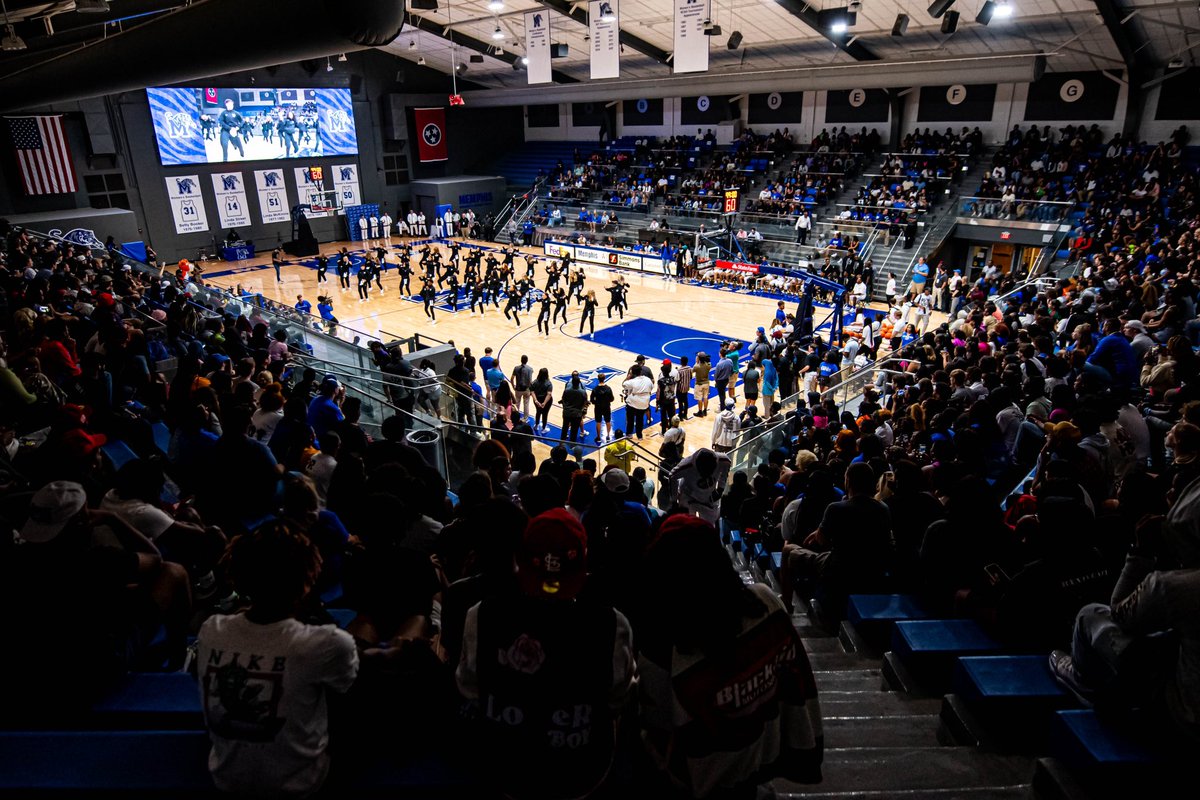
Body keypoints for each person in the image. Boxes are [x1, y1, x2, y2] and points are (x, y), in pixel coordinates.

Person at [637, 516, 823, 797]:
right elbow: (795, 683)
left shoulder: (661, 647)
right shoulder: (765, 603)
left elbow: (660, 736)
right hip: (759, 765)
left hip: (699, 782)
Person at [456, 509, 636, 800]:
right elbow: (617, 699)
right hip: (582, 773)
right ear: (584, 562)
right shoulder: (612, 623)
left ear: (519, 561)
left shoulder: (481, 615)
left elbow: (468, 686)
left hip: (505, 769)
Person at [198, 521, 359, 798]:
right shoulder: (327, 643)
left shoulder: (211, 630)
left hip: (225, 778)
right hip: (304, 783)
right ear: (308, 576)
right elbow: (348, 692)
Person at [1049, 479, 1200, 741]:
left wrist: (1140, 553)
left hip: (1182, 716)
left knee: (1090, 615)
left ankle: (1081, 678)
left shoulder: (1175, 587)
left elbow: (1119, 613)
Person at [782, 462, 893, 617]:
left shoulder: (836, 508)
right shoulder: (883, 509)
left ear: (848, 481)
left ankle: (786, 605)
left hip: (838, 568)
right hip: (873, 570)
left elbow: (822, 542)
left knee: (788, 550)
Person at [667, 447, 732, 526]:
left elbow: (725, 471)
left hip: (709, 496)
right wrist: (674, 500)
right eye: (703, 473)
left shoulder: (723, 461)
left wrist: (720, 489)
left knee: (710, 524)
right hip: (688, 495)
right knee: (687, 524)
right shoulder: (686, 465)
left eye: (709, 472)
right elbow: (672, 476)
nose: (706, 475)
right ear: (696, 465)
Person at [621, 366, 653, 441]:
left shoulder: (631, 382)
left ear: (632, 373)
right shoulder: (647, 379)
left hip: (633, 402)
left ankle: (629, 434)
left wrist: (628, 377)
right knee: (640, 419)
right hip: (644, 402)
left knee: (630, 419)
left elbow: (623, 384)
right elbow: (651, 387)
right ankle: (639, 436)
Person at [561, 371, 589, 444]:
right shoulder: (582, 392)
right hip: (577, 414)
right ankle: (572, 446)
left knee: (564, 429)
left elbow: (563, 400)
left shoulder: (567, 390)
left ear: (572, 382)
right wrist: (583, 410)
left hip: (567, 412)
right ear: (579, 382)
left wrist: (565, 408)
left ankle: (561, 445)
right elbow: (585, 402)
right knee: (574, 431)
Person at [591, 373, 615, 444]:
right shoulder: (608, 388)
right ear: (604, 379)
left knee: (598, 422)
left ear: (598, 379)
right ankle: (608, 436)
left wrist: (596, 403)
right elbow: (612, 399)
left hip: (598, 407)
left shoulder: (595, 389)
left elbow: (592, 400)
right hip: (606, 407)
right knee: (608, 421)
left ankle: (598, 437)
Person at [693, 352, 712, 418]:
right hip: (706, 383)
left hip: (699, 384)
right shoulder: (708, 365)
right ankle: (705, 410)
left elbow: (693, 370)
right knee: (705, 397)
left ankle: (700, 411)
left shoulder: (696, 366)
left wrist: (696, 361)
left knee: (700, 398)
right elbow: (709, 362)